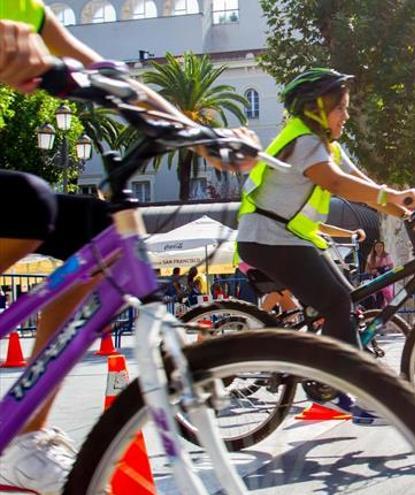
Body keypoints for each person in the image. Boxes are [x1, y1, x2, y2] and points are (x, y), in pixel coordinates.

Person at [0, 4, 260, 492]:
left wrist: (205, 140)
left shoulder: (23, 10)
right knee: (25, 201)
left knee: (102, 236)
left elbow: (108, 73)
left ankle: (25, 440)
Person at [236, 67, 415, 424]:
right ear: (317, 108)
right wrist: (393, 197)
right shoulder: (305, 142)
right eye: (342, 108)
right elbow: (336, 184)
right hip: (267, 238)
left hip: (290, 237)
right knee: (337, 302)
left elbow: (363, 187)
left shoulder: (325, 146)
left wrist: (403, 209)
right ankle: (338, 388)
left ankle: (322, 369)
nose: (347, 116)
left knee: (344, 299)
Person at [366, 240, 395, 306]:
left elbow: (391, 267)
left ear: (383, 247)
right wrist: (372, 271)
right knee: (378, 297)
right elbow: (367, 269)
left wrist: (385, 270)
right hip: (376, 278)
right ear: (374, 247)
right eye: (377, 246)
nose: (379, 248)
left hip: (386, 278)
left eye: (381, 246)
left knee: (388, 294)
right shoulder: (371, 257)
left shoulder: (387, 256)